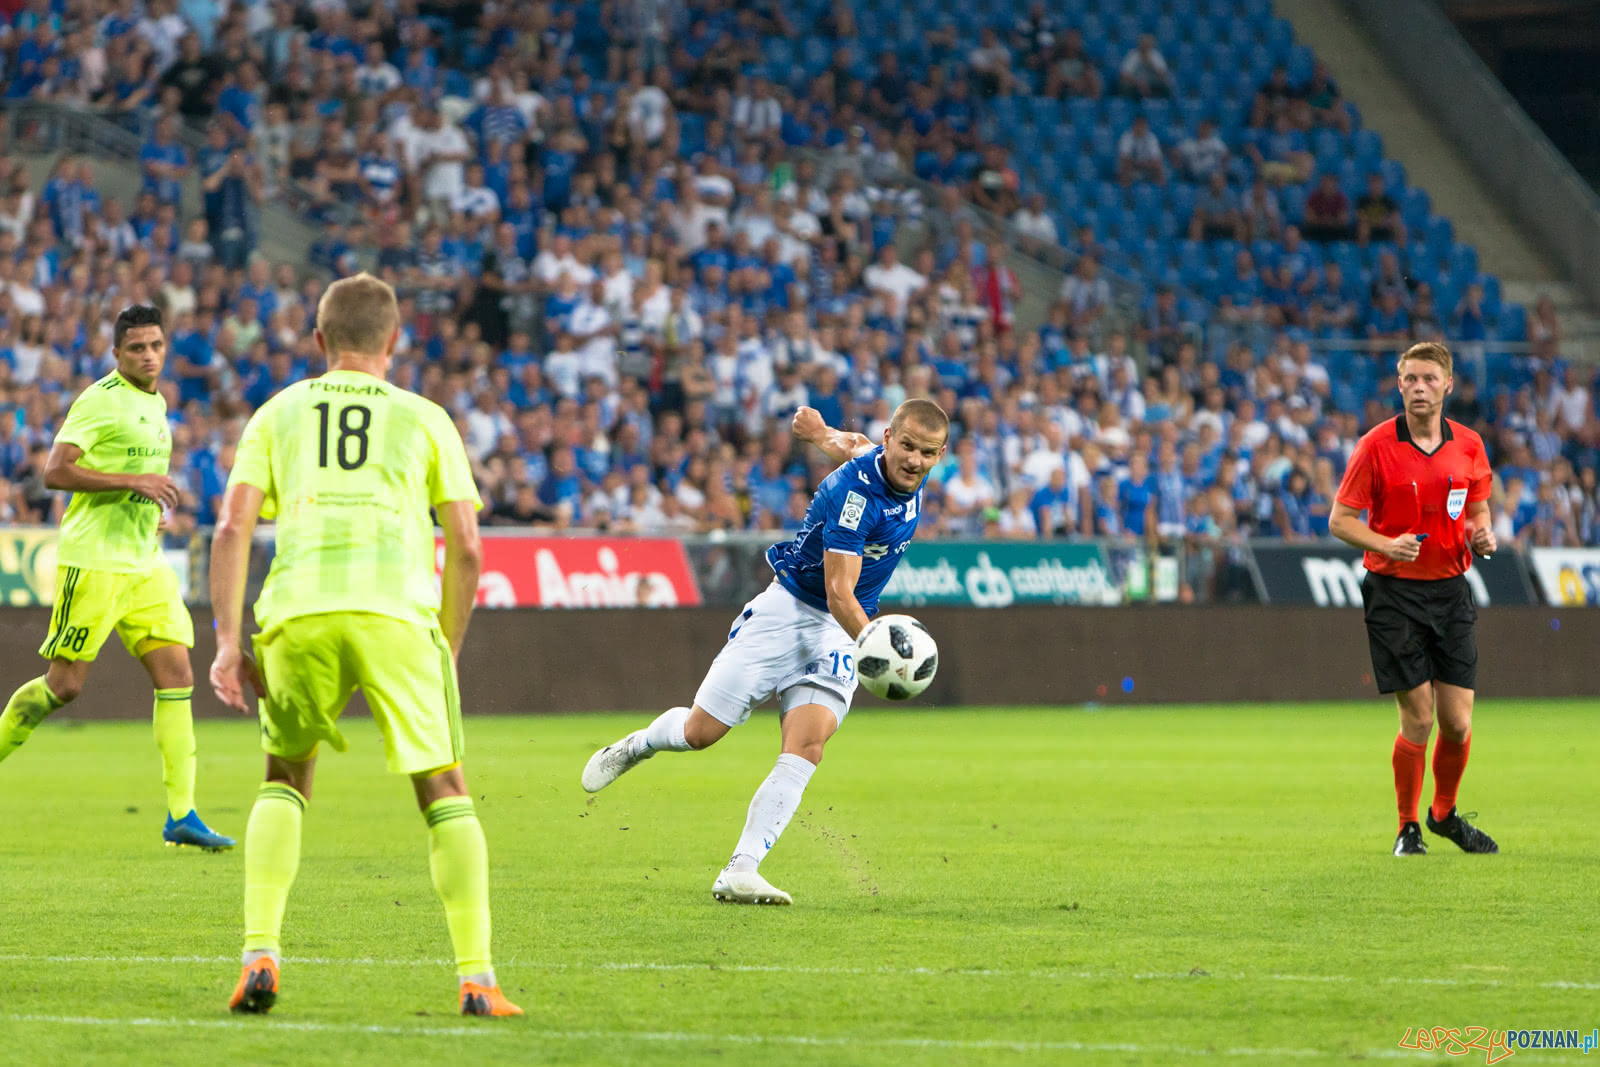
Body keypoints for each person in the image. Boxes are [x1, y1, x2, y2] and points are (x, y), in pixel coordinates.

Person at [208, 274, 521, 1017]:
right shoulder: (426, 417)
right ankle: (477, 979)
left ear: (319, 339)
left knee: (284, 778)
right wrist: (447, 645)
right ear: (395, 340)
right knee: (445, 788)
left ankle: (259, 955)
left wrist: (225, 641)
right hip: (397, 614)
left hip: (297, 612)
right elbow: (467, 546)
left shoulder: (278, 412)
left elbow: (231, 527)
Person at [579, 400, 950, 905]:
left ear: (939, 454)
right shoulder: (855, 496)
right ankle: (638, 745)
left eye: (927, 453)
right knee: (699, 734)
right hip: (791, 612)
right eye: (907, 446)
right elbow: (838, 593)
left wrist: (819, 433)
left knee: (808, 745)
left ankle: (741, 869)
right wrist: (876, 648)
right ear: (890, 438)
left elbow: (851, 443)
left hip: (839, 633)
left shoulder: (894, 464)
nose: (914, 460)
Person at [0, 305, 233, 851]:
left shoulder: (158, 402)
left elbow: (139, 482)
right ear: (117, 354)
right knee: (64, 686)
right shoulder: (98, 400)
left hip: (144, 563)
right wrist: (133, 482)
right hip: (96, 561)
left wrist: (149, 506)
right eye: (137, 348)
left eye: (156, 346)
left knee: (177, 674)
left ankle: (182, 814)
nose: (148, 356)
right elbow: (55, 471)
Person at [1328, 342, 1499, 858]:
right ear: (1399, 385)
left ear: (1448, 385)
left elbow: (1477, 508)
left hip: (1450, 590)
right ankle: (1407, 827)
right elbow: (1340, 521)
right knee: (1419, 718)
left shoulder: (1469, 444)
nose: (1419, 387)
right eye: (1410, 379)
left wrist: (1482, 534)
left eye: (1429, 378)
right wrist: (1386, 545)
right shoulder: (1375, 446)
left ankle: (1443, 814)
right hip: (1394, 593)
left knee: (1458, 723)